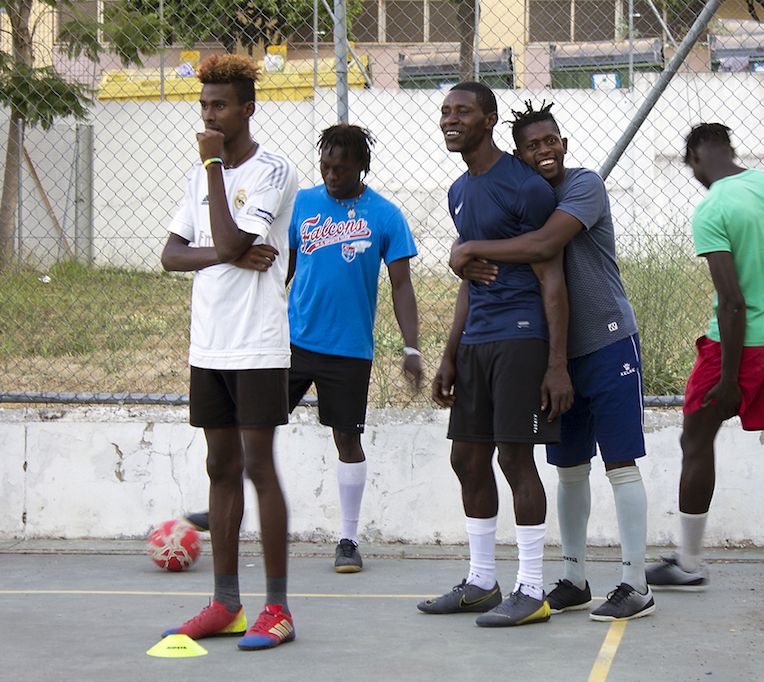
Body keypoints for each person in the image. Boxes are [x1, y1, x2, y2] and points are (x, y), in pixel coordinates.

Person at [448, 101, 653, 621]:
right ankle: (574, 578)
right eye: (533, 145)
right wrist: (466, 254)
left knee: (620, 463)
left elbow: (544, 244)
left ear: (564, 143)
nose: (545, 151)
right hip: (554, 351)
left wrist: (466, 248)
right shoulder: (518, 192)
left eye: (551, 141)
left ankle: (636, 583)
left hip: (606, 341)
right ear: (518, 154)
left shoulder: (584, 185)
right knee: (569, 467)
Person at [417, 82, 573, 627]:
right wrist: (449, 353)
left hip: (521, 338)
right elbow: (468, 277)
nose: (449, 120)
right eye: (445, 112)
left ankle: (531, 589)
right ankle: (482, 583)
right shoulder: (459, 190)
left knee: (515, 459)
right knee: (467, 458)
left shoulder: (525, 186)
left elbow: (552, 276)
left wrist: (556, 363)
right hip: (477, 342)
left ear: (489, 120)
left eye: (462, 111)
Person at [159, 54, 299, 650]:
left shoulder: (273, 170)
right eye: (203, 105)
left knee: (259, 466)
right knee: (220, 468)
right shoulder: (198, 178)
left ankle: (277, 609)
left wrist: (215, 172)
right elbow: (172, 254)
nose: (209, 115)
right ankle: (225, 604)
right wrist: (228, 255)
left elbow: (233, 234)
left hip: (258, 342)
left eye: (219, 105)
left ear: (247, 109)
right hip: (209, 343)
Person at [644, 123, 764, 599]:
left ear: (695, 158)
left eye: (692, 169)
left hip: (735, 345)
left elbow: (733, 301)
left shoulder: (713, 207)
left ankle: (688, 563)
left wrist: (728, 380)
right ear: (728, 149)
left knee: (696, 439)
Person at [286, 123, 422, 573]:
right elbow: (283, 269)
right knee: (254, 423)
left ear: (362, 167)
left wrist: (412, 348)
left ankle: (348, 539)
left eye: (341, 169)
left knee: (347, 439)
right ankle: (234, 511)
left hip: (348, 349)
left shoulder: (385, 215)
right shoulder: (302, 204)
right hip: (293, 341)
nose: (330, 175)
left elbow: (401, 286)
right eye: (325, 166)